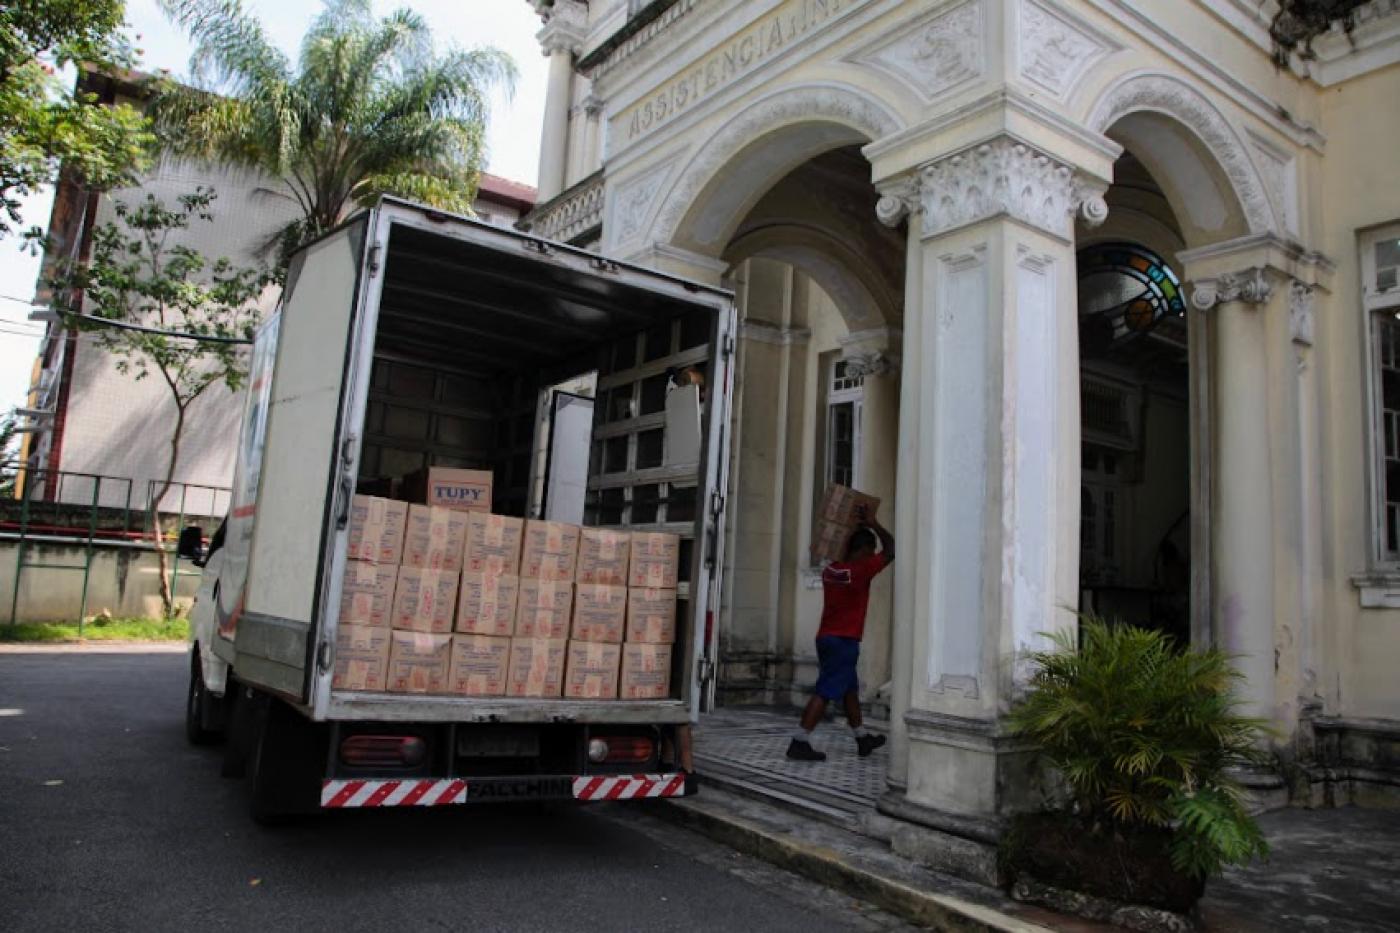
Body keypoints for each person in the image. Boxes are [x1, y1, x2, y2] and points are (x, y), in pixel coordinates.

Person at [788, 504, 894, 761]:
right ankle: (799, 741)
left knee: (848, 690)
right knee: (825, 691)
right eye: (869, 551)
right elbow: (891, 549)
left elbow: (845, 550)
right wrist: (874, 523)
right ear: (861, 551)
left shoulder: (831, 570)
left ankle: (862, 738)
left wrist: (853, 527)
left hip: (826, 638)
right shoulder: (860, 572)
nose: (872, 556)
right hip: (844, 641)